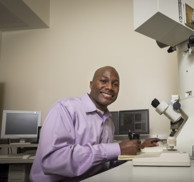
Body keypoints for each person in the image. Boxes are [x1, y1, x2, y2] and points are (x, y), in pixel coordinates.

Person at [29, 66, 160, 181]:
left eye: (115, 84)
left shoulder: (108, 121)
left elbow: (103, 162)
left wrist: (138, 147)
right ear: (91, 84)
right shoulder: (65, 108)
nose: (109, 87)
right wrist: (117, 148)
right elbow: (53, 161)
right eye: (103, 81)